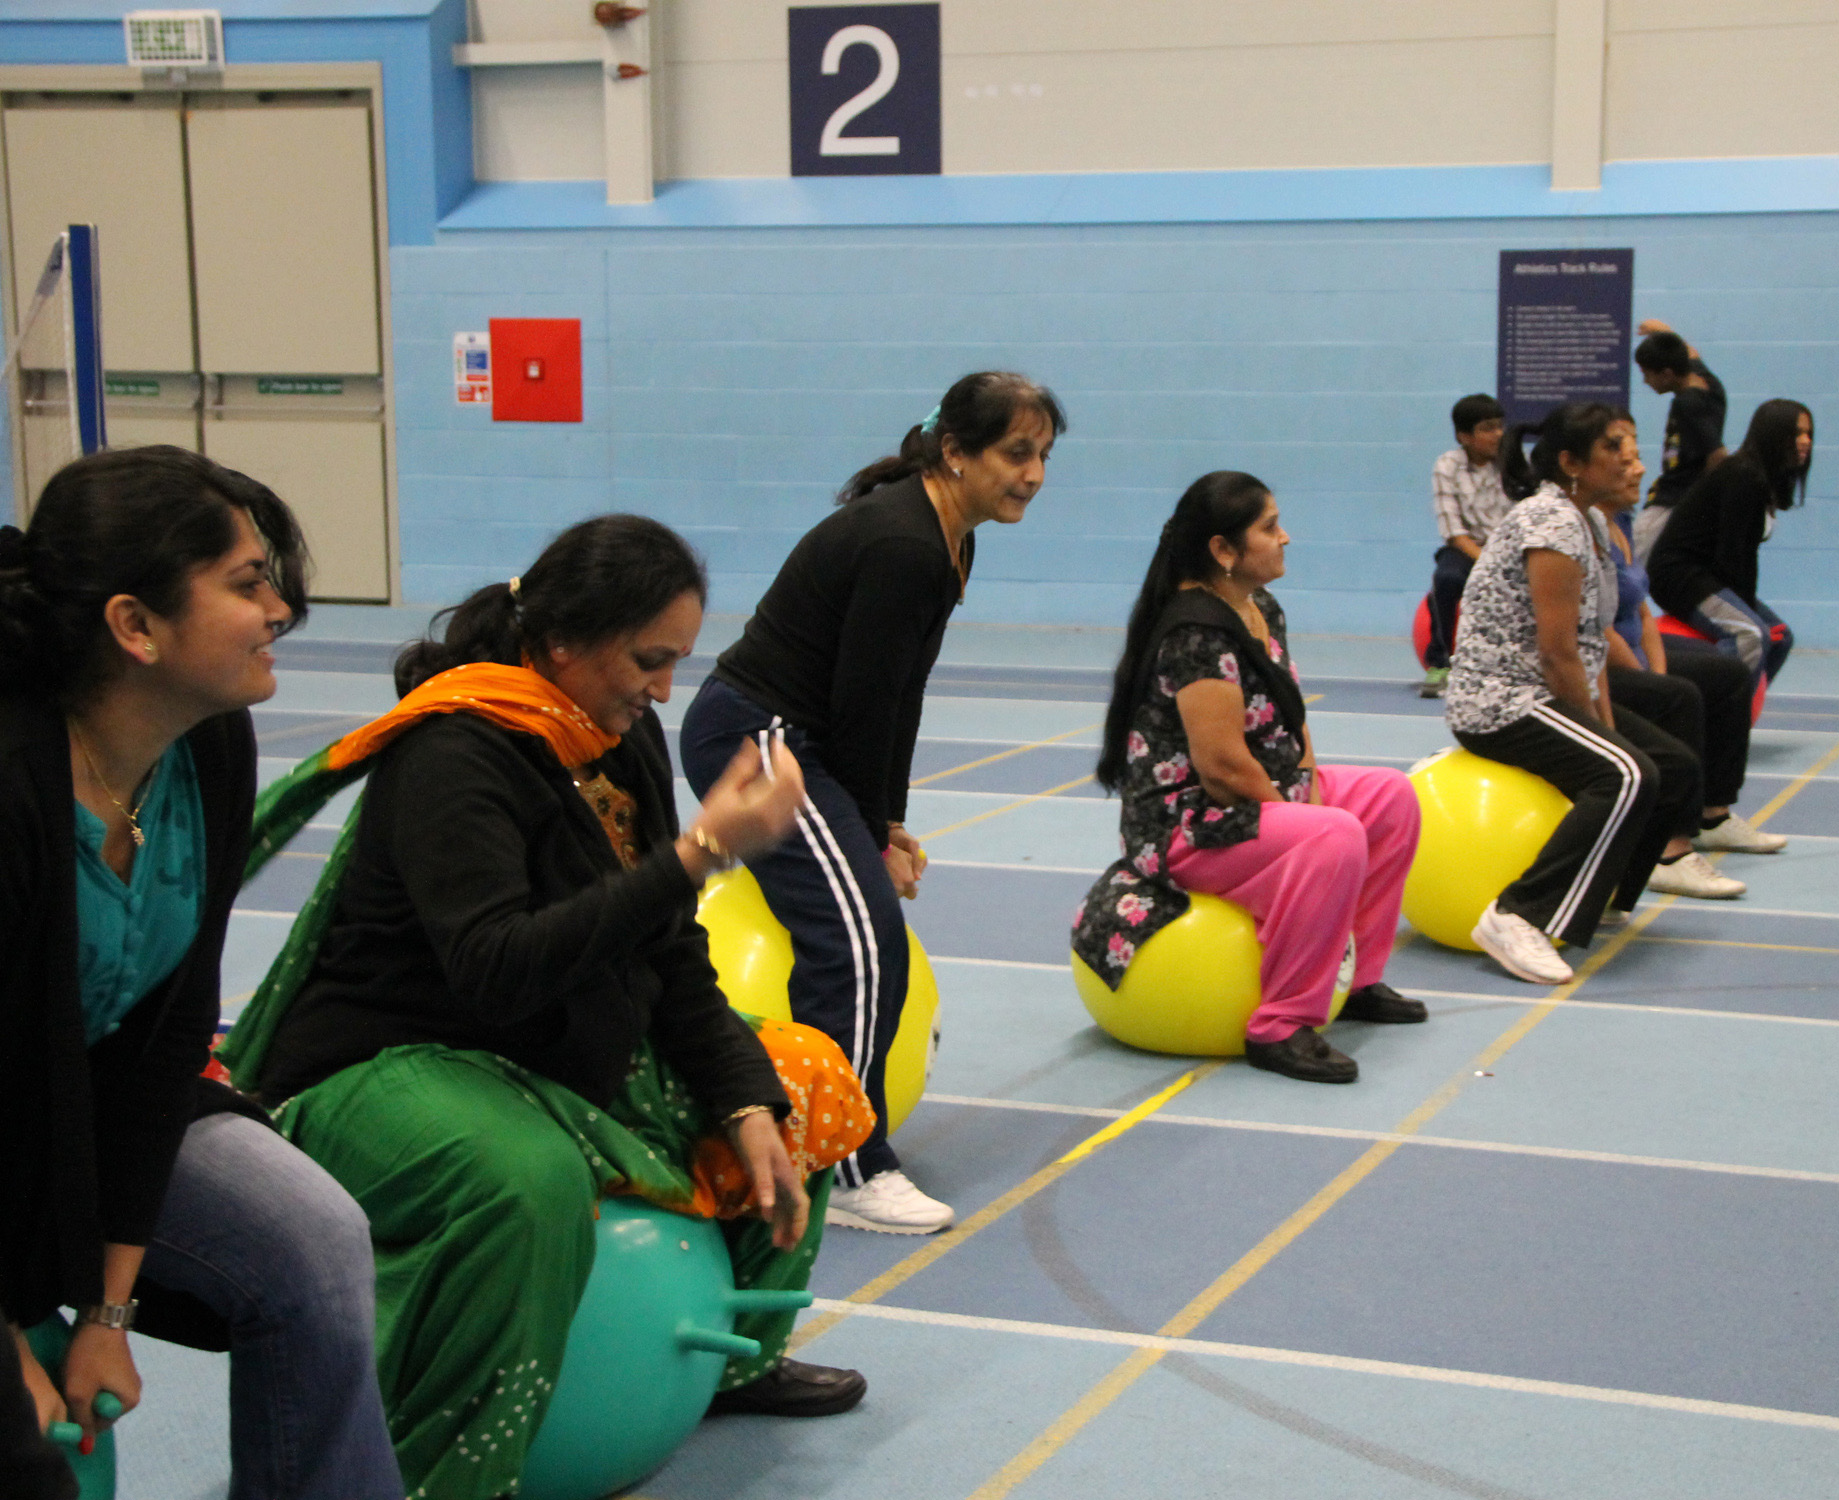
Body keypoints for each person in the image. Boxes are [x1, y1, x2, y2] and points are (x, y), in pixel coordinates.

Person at [229, 516, 874, 1499]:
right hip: (391, 1059)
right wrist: (697, 854)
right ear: (564, 642)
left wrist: (747, 1103)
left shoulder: (619, 738)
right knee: (523, 1184)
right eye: (648, 661)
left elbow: (666, 948)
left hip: (557, 1048)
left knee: (801, 1080)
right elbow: (499, 969)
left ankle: (735, 1357)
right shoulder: (457, 752)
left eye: (675, 665)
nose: (663, 690)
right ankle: (445, 1475)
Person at [0, 446, 403, 1499]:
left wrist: (108, 1314)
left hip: (85, 1120)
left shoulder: (208, 749)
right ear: (135, 627)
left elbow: (167, 1040)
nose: (280, 608)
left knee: (314, 1243)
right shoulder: (12, 787)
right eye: (246, 583)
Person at [681, 371, 1064, 1235]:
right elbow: (861, 706)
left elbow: (899, 693)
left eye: (1043, 454)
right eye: (1015, 453)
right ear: (956, 452)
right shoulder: (905, 544)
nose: (1034, 473)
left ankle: (821, 1144)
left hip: (804, 738)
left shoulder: (951, 538)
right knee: (859, 937)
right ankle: (842, 1166)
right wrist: (870, 832)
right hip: (760, 736)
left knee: (862, 917)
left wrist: (884, 820)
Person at [1073, 472, 1423, 1083]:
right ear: (1223, 550)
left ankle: (1360, 979)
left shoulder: (1259, 606)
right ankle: (1282, 1025)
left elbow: (1291, 713)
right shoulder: (1196, 634)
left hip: (1262, 792)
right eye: (1269, 527)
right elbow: (1223, 767)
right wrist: (1304, 816)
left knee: (1390, 798)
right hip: (1190, 823)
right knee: (1335, 835)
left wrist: (1308, 777)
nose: (1286, 537)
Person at [1445, 403, 1730, 987]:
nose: (1634, 462)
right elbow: (1557, 655)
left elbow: (1590, 645)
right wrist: (1604, 740)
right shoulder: (1550, 524)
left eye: (1632, 448)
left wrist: (1606, 725)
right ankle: (1515, 915)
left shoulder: (1590, 523)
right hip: (1500, 701)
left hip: (1543, 690)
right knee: (1626, 774)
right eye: (1616, 450)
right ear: (1572, 464)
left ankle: (1601, 899)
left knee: (1670, 766)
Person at [1591, 476, 1787, 860]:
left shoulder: (1625, 524)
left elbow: (1644, 614)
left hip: (1638, 649)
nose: (1637, 470)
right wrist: (1647, 679)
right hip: (1605, 658)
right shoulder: (1585, 531)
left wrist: (1657, 671)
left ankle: (1714, 815)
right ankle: (1671, 847)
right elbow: (1597, 629)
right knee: (1680, 696)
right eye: (1624, 459)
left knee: (1727, 675)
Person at [1646, 398, 1814, 685]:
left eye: (1809, 434)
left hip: (1710, 575)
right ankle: (1718, 711)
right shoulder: (1742, 475)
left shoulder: (1763, 480)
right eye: (1797, 433)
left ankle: (1742, 712)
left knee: (1781, 637)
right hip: (1679, 575)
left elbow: (1742, 559)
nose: (1805, 441)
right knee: (1750, 634)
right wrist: (1746, 613)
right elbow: (1733, 557)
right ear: (1774, 434)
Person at [1421, 394, 1513, 697]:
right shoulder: (1447, 466)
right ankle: (1441, 662)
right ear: (1464, 436)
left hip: (1507, 547)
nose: (1497, 435)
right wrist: (1487, 561)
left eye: (1500, 426)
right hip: (1465, 548)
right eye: (1488, 428)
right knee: (1447, 578)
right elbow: (1454, 533)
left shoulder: (1511, 464)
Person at [1631, 320, 1728, 557]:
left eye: (1647, 375)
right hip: (1677, 496)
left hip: (1676, 500)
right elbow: (1690, 352)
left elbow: (1718, 455)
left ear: (1666, 374)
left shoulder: (1688, 403)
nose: (1645, 382)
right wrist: (1664, 331)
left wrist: (1700, 504)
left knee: (1628, 561)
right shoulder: (1707, 380)